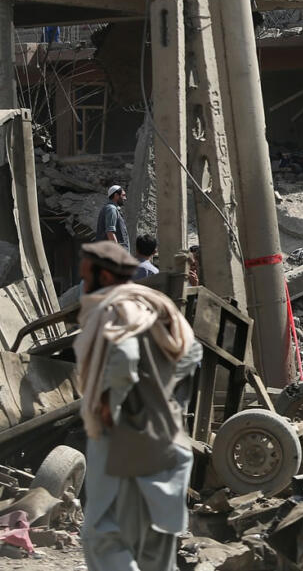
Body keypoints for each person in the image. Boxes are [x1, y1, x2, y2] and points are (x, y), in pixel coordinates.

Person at [75, 240, 201, 571]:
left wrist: (110, 403)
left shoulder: (115, 308)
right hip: (168, 440)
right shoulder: (158, 306)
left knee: (104, 538)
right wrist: (165, 395)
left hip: (125, 443)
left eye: (87, 276)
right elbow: (192, 354)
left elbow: (124, 360)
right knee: (157, 552)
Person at [96, 184, 129, 251]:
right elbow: (110, 232)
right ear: (116, 195)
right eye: (123, 195)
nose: (125, 198)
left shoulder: (112, 209)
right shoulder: (111, 209)